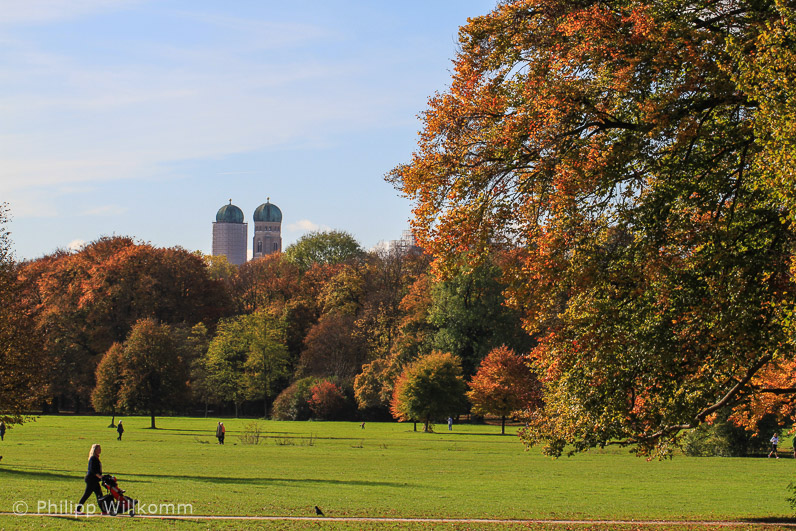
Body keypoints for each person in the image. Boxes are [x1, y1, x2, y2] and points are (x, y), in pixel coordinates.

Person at [76, 444, 103, 514]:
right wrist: (99, 476)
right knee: (87, 495)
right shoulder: (93, 458)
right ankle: (77, 509)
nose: (100, 450)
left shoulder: (96, 458)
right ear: (95, 450)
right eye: (98, 449)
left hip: (95, 480)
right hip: (91, 479)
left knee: (99, 495)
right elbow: (92, 470)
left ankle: (104, 510)